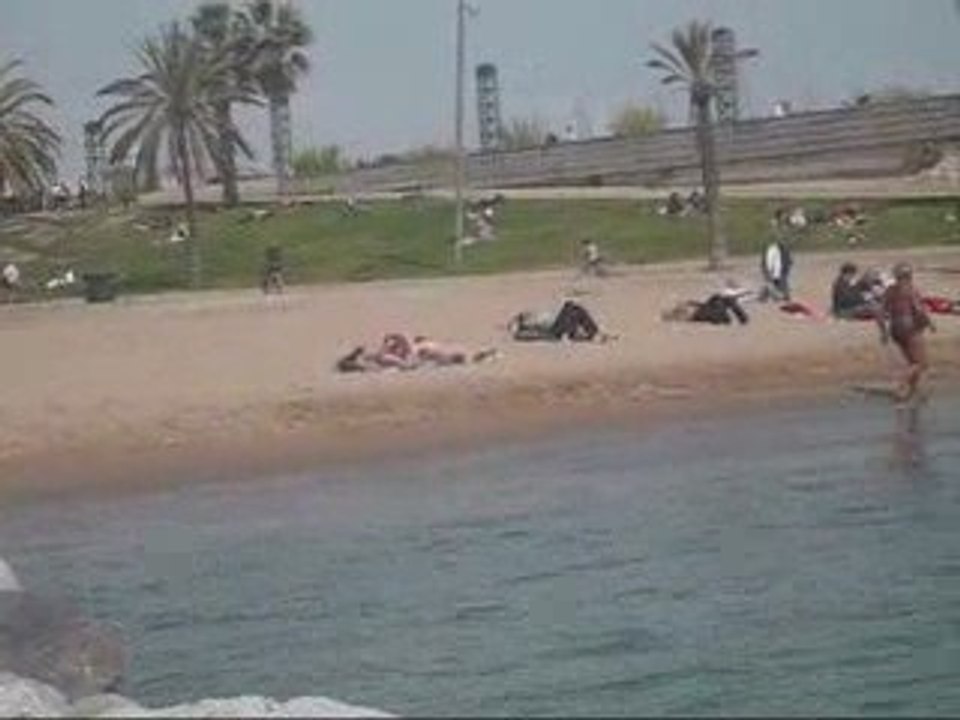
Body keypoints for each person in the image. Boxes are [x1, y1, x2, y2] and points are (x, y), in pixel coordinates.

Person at [878, 262, 936, 403]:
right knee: (921, 364)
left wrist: (883, 332)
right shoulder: (911, 290)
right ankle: (902, 385)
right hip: (910, 327)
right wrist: (930, 324)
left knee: (912, 362)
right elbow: (919, 310)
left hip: (895, 328)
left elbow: (879, 314)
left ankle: (913, 392)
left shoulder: (889, 291)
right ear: (909, 276)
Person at [509, 300, 614, 342]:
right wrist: (516, 324)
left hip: (560, 324)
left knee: (577, 310)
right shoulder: (527, 327)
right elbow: (520, 334)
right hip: (556, 329)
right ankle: (593, 333)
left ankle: (595, 332)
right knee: (570, 306)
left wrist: (520, 317)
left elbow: (523, 316)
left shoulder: (532, 318)